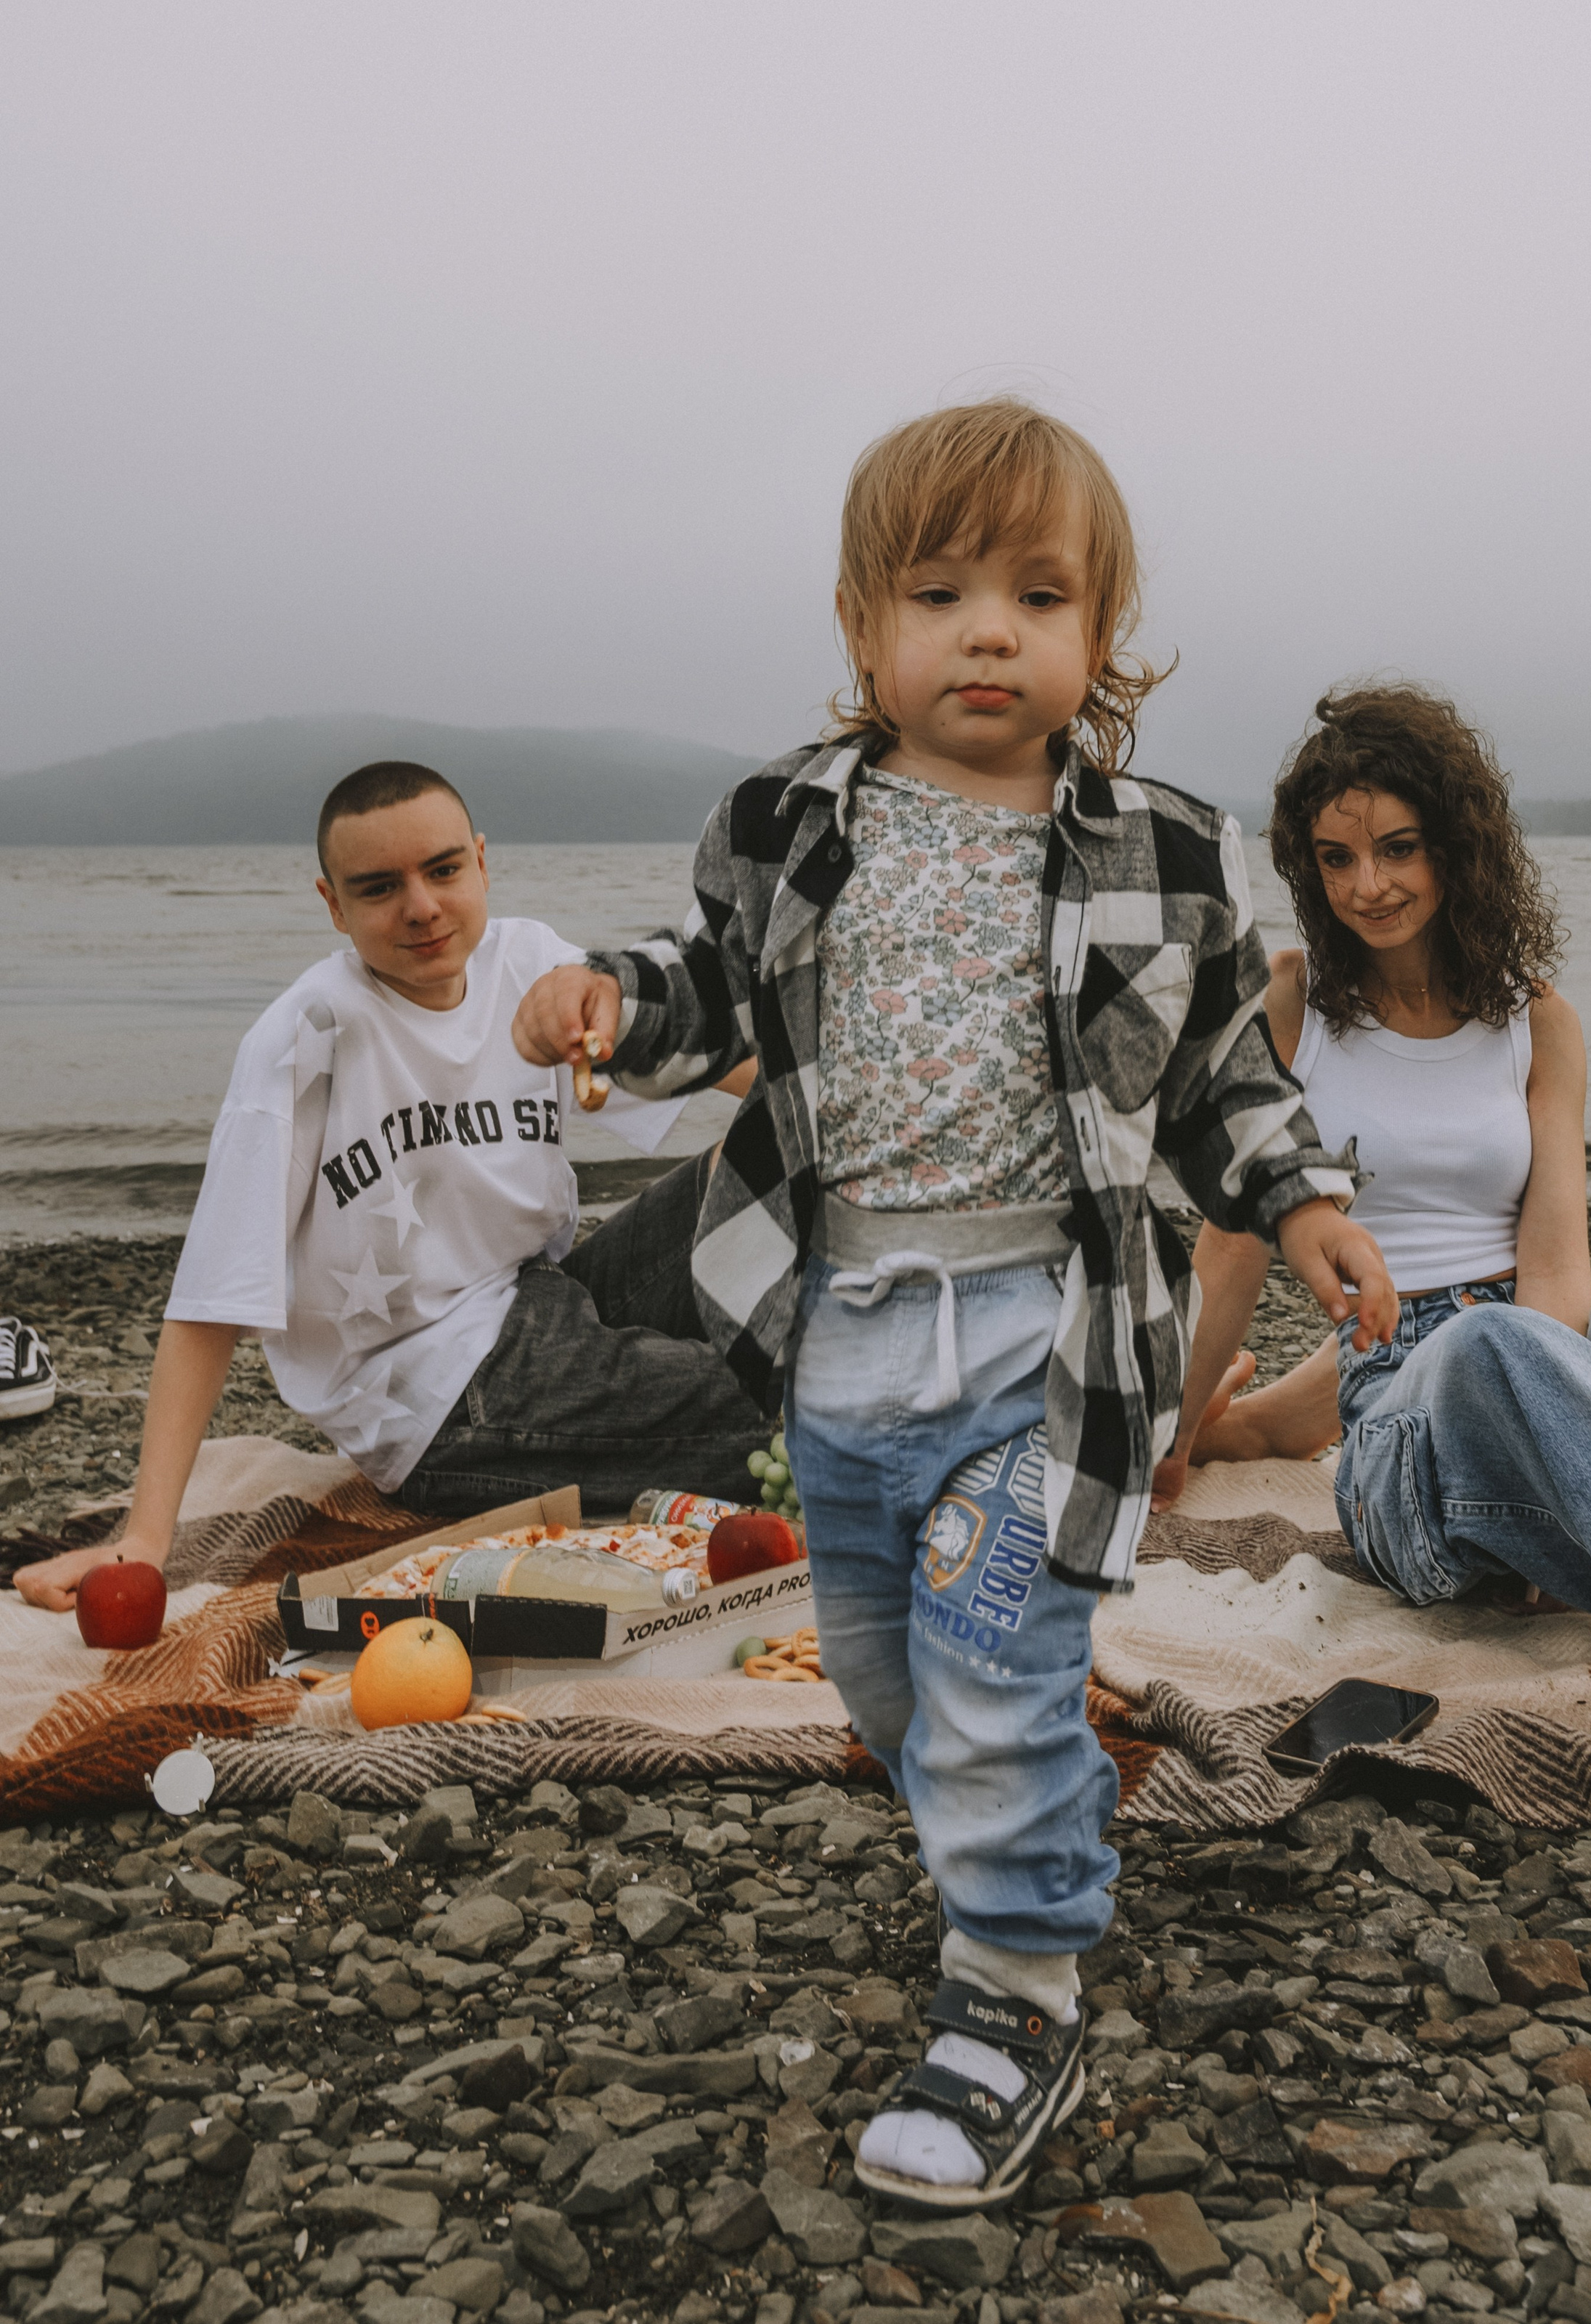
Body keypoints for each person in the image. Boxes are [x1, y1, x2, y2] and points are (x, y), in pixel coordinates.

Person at [511, 398, 1397, 2208]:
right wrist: (608, 1001)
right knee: (880, 1675)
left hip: (1043, 1344)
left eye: (1035, 593)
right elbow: (712, 990)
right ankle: (1036, 1836)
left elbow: (1225, 1079)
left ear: (1097, 635)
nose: (986, 627)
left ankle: (1014, 1996)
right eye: (938, 591)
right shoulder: (783, 823)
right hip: (838, 1343)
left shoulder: (1164, 849)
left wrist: (1300, 1203)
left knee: (991, 1660)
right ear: (862, 632)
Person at [1168, 683, 1591, 1726]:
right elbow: (1231, 1249)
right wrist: (1167, 1440)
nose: (1370, 885)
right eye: (1336, 858)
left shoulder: (1540, 1021)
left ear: (1457, 843)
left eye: (1400, 848)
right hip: (1406, 1439)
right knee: (1488, 1348)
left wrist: (1563, 1455)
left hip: (1554, 1369)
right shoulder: (1293, 1003)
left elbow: (1556, 1271)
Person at [13, 760, 764, 1613]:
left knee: (780, 1143)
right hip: (441, 1395)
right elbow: (210, 1297)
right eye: (379, 888)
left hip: (547, 1299)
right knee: (794, 1406)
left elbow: (722, 1067)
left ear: (481, 860)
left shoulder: (533, 963)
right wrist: (144, 1540)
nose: (421, 906)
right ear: (333, 905)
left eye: (443, 869)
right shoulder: (306, 1038)